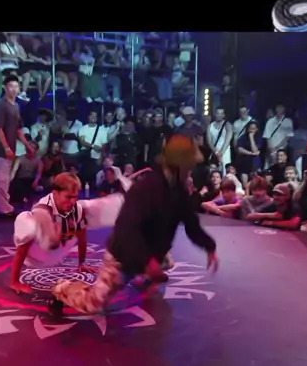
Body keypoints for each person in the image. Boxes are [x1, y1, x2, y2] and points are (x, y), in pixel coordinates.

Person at [51, 135, 219, 316]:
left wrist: (209, 246)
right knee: (94, 304)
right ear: (179, 165)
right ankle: (62, 288)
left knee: (165, 261)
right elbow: (126, 230)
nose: (192, 169)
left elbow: (190, 221)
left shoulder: (178, 190)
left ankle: (146, 273)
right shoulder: (146, 188)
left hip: (150, 253)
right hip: (124, 256)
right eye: (189, 165)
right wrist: (147, 262)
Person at [10, 172, 89, 293]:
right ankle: (14, 281)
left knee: (80, 219)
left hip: (56, 253)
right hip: (35, 255)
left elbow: (82, 235)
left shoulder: (77, 209)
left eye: (75, 197)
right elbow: (24, 248)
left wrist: (82, 262)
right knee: (27, 222)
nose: (73, 201)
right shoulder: (42, 209)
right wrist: (15, 282)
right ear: (55, 194)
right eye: (68, 197)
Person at [0, 75, 34, 218]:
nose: (14, 89)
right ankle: (5, 209)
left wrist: (27, 145)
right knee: (2, 180)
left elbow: (19, 129)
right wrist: (6, 147)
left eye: (16, 86)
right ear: (5, 88)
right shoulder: (1, 105)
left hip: (8, 147)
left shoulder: (16, 106)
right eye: (11, 86)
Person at [78, 110, 109, 189]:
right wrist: (93, 146)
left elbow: (104, 146)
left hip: (97, 158)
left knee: (95, 180)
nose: (93, 117)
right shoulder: (83, 128)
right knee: (85, 179)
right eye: (92, 115)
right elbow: (82, 142)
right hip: (86, 157)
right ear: (88, 117)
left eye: (95, 116)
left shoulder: (102, 130)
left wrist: (101, 157)